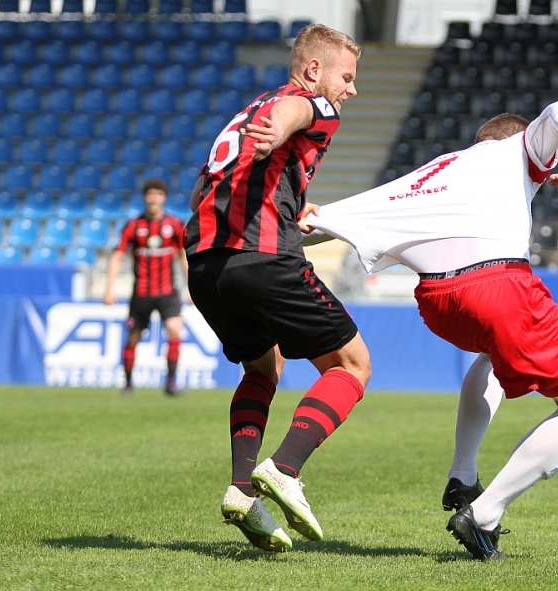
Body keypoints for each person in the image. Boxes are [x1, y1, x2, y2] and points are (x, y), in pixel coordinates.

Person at [256, 98, 558, 560]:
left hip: (439, 302)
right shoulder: (516, 151)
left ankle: (464, 474)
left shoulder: (432, 174)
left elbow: (315, 223)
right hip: (498, 284)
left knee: (492, 355)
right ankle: (483, 515)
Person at [183, 24, 371, 553]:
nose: (351, 89)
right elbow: (300, 111)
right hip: (261, 259)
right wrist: (282, 127)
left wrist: (290, 205)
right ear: (314, 70)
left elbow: (205, 193)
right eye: (346, 77)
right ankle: (285, 468)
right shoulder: (305, 104)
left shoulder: (245, 113)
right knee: (352, 365)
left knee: (264, 367)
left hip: (205, 265)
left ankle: (242, 490)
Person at [104, 178, 188, 398]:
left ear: (164, 198)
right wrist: (109, 289)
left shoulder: (174, 224)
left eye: (158, 194)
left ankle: (171, 383)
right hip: (141, 292)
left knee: (174, 328)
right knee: (133, 337)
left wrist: (191, 287)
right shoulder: (133, 225)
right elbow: (117, 255)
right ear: (145, 197)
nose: (154, 198)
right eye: (151, 194)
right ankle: (128, 383)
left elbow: (183, 256)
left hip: (168, 291)